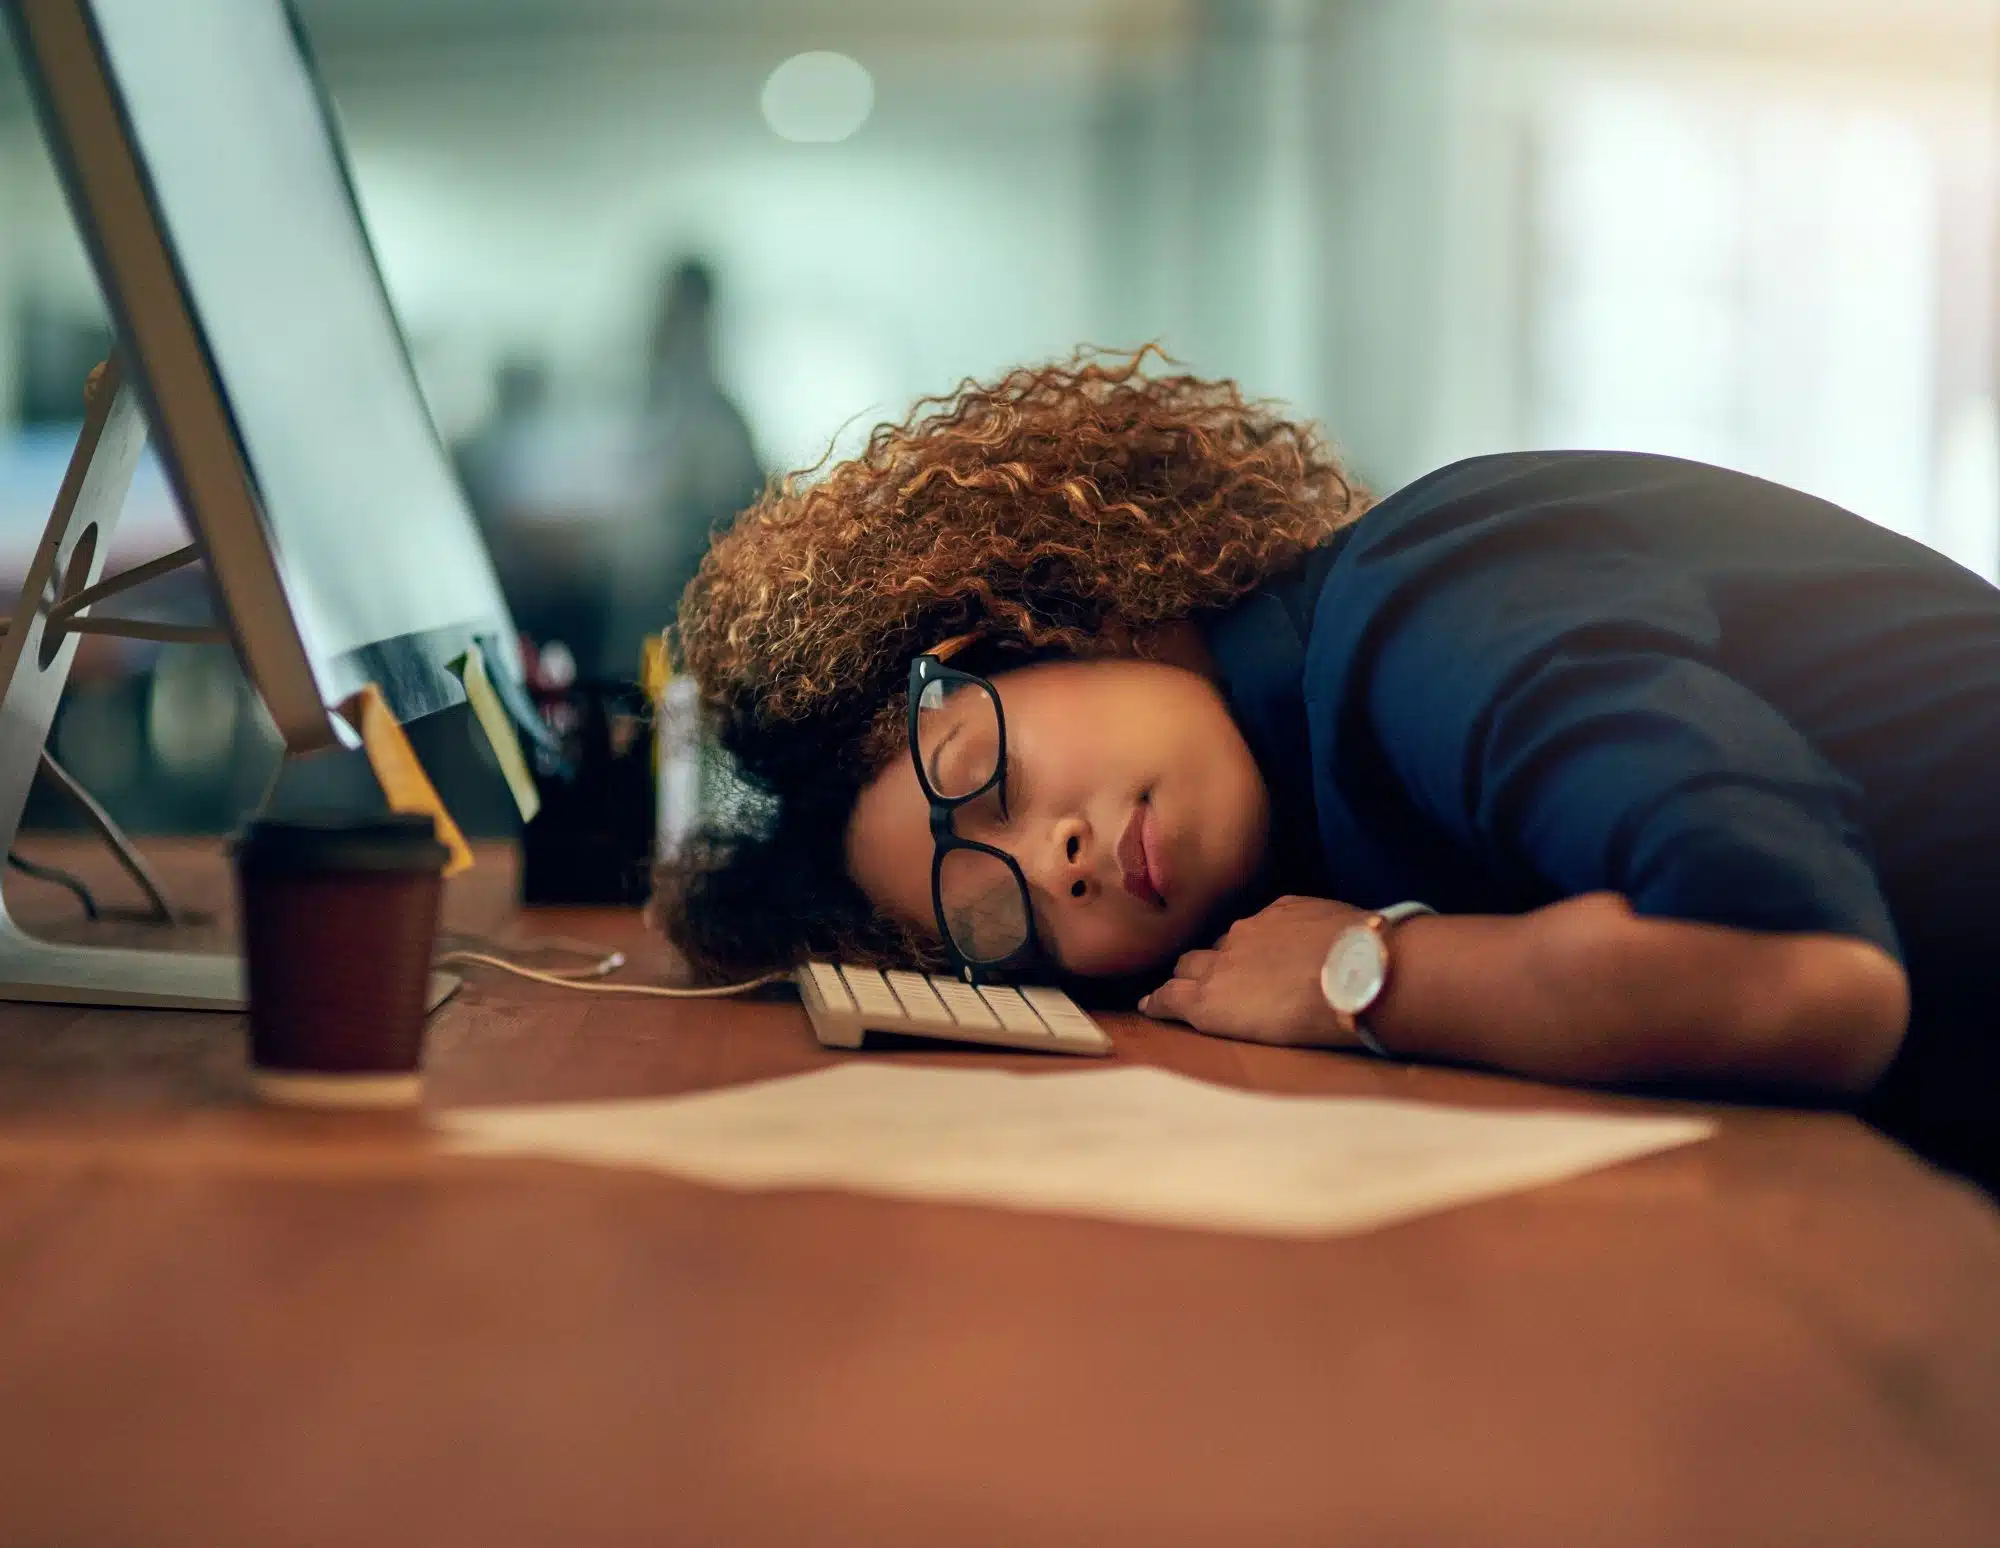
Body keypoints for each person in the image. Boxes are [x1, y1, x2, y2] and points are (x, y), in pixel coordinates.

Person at [659, 350, 2000, 1188]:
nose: (1051, 864)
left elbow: (1804, 980)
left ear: (1029, 626)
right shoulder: (1303, 791)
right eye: (990, 912)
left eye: (978, 772)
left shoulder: (1418, 611)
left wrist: (1371, 975)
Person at [599, 258, 763, 679]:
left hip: (689, 610)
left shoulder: (717, 417)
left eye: (679, 314)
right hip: (648, 610)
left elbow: (726, 504)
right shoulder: (654, 404)